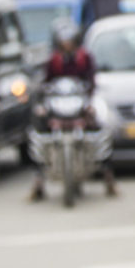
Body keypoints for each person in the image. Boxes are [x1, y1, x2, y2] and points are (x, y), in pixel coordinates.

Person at [30, 29, 119, 201]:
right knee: (38, 126)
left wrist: (90, 99)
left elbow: (91, 80)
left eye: (69, 41)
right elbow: (44, 83)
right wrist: (42, 101)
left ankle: (109, 177)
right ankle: (38, 180)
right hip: (58, 103)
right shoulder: (52, 60)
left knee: (99, 126)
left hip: (80, 102)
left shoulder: (84, 58)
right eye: (64, 41)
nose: (67, 44)